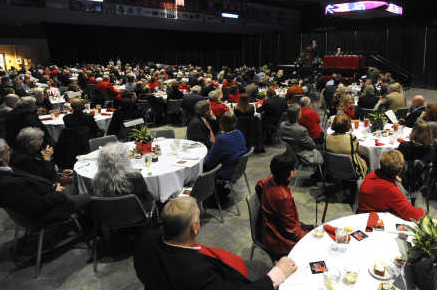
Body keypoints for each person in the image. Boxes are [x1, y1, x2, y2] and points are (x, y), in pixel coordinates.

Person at [134, 196, 297, 290]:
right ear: (195, 228)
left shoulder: (145, 240)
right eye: (198, 217)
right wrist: (277, 274)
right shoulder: (196, 272)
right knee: (266, 269)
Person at [0, 138, 90, 223]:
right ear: (0, 158)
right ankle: (90, 226)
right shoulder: (8, 183)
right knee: (90, 196)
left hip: (46, 192)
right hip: (49, 211)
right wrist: (57, 192)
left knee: (73, 181)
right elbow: (38, 207)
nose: (11, 152)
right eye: (8, 150)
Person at [255, 152, 313, 259]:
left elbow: (259, 185)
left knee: (313, 228)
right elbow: (292, 232)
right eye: (293, 169)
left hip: (270, 228)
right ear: (290, 173)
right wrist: (309, 237)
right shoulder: (283, 196)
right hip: (278, 241)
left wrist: (266, 208)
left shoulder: (270, 179)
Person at [357, 150, 425, 221]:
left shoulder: (373, 174)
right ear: (400, 171)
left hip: (364, 214)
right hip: (372, 221)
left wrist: (394, 178)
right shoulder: (390, 189)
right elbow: (411, 214)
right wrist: (423, 212)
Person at [93, 142, 153, 206]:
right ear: (124, 159)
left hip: (108, 212)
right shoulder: (135, 176)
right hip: (134, 212)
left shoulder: (97, 178)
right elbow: (147, 197)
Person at [203, 112, 247, 181]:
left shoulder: (221, 139)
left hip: (226, 172)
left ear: (222, 124)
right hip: (239, 168)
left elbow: (209, 162)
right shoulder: (239, 133)